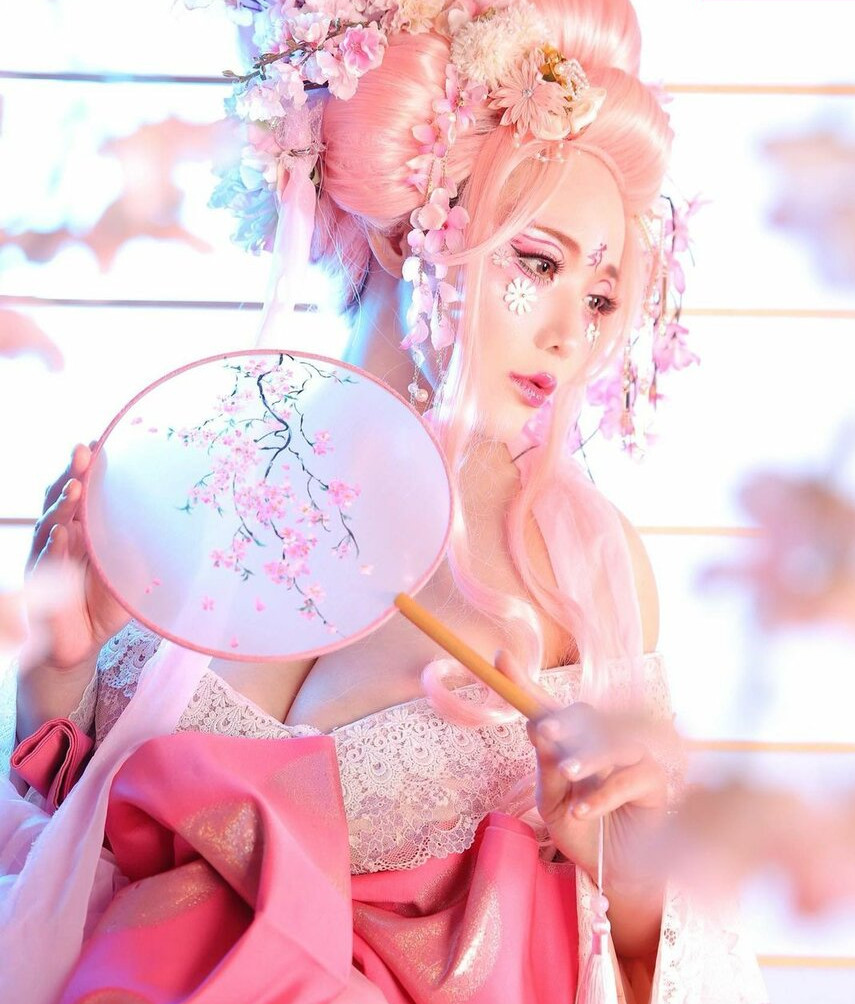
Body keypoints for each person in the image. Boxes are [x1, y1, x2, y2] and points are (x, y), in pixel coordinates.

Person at [2, 1, 768, 1001]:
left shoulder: (583, 561)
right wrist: (59, 672)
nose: (568, 335)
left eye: (598, 298)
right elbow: (75, 839)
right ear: (415, 229)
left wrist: (626, 875)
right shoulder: (202, 473)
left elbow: (653, 939)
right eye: (538, 263)